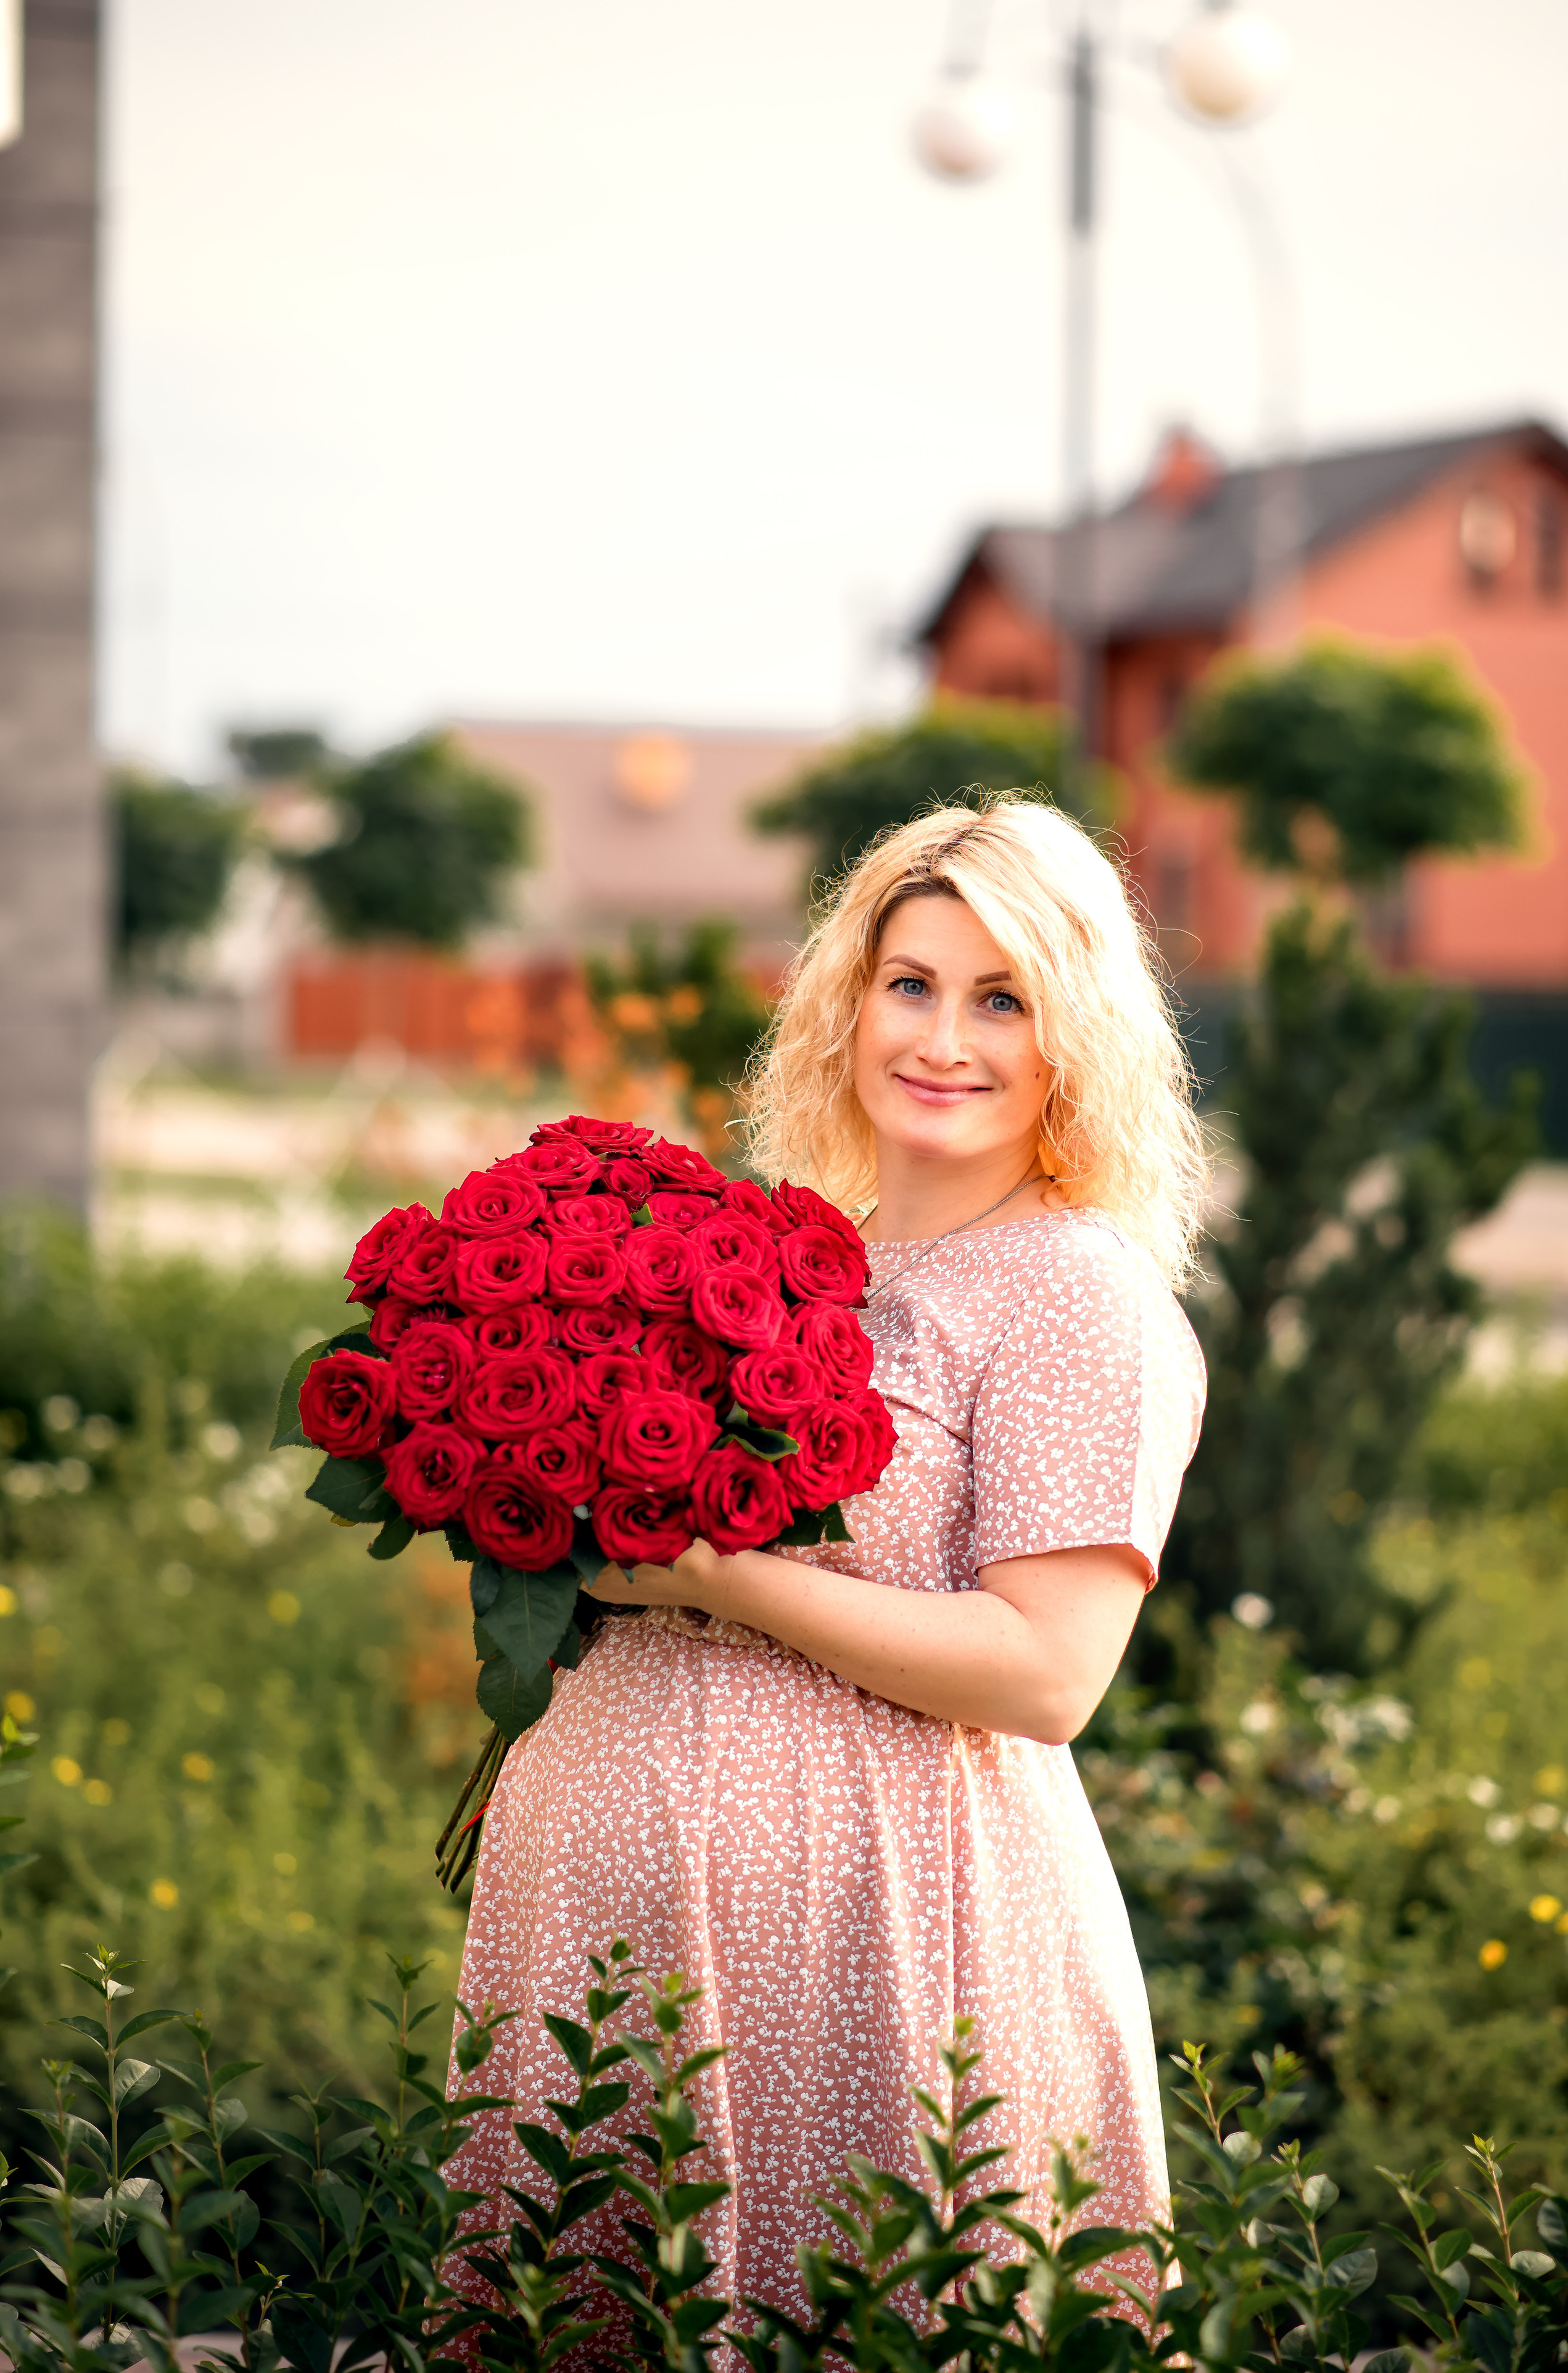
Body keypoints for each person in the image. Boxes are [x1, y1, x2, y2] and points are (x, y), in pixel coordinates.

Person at [445, 798, 1210, 2319]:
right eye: (909, 983)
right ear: (847, 1001)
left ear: (1075, 1037)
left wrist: (714, 1578)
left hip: (882, 1944)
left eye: (1002, 999)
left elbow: (1048, 1672)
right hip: (625, 1944)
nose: (942, 1038)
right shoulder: (795, 1258)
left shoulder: (1076, 1291)